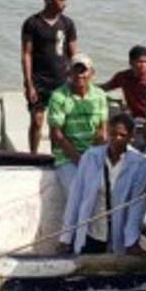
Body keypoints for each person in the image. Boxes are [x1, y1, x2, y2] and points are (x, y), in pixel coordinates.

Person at [59, 113, 146, 255]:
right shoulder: (91, 157)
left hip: (119, 235)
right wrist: (66, 238)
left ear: (131, 137)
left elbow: (137, 204)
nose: (116, 139)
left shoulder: (140, 163)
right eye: (113, 134)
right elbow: (75, 197)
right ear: (107, 133)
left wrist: (132, 242)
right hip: (92, 233)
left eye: (122, 135)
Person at [21, 0, 78, 153]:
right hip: (39, 81)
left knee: (57, 123)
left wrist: (75, 80)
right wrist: (29, 83)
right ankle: (33, 155)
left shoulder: (68, 24)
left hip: (61, 81)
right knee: (37, 121)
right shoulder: (32, 23)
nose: (64, 4)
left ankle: (56, 157)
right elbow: (26, 54)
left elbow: (74, 54)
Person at [46, 53, 109, 190]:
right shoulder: (58, 96)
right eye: (75, 70)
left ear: (92, 73)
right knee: (76, 190)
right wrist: (79, 160)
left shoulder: (100, 95)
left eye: (83, 71)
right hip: (67, 157)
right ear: (69, 73)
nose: (79, 75)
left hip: (93, 154)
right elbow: (57, 135)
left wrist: (92, 156)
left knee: (105, 190)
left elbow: (102, 129)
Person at [101, 45, 146, 119]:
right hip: (132, 116)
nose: (143, 65)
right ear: (131, 62)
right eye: (139, 61)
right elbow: (106, 87)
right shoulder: (123, 77)